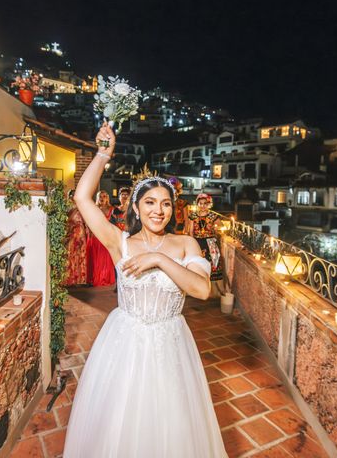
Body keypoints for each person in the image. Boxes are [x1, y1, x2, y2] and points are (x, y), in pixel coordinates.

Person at [65, 123, 226, 457]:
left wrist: (159, 259)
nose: (158, 210)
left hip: (171, 342)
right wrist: (102, 155)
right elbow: (82, 197)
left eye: (166, 204)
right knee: (120, 422)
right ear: (136, 208)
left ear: (173, 208)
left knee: (172, 423)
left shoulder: (186, 243)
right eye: (150, 202)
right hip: (126, 341)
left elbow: (201, 290)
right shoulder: (118, 241)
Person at [187, 193, 225, 298]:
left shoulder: (213, 216)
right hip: (198, 242)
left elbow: (221, 226)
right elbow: (190, 231)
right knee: (199, 264)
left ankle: (214, 291)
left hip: (211, 243)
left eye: (205, 203)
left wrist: (215, 228)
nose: (203, 205)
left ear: (208, 204)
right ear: (197, 203)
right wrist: (192, 243)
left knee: (214, 264)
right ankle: (199, 288)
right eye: (201, 203)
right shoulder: (193, 216)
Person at [86, 190, 116, 286]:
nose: (102, 198)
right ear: (97, 198)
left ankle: (104, 278)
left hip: (106, 237)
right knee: (95, 259)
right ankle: (94, 278)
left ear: (107, 198)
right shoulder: (94, 209)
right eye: (100, 196)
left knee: (105, 259)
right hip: (95, 236)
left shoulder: (112, 209)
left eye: (104, 196)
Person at [64, 189, 88, 286]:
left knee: (80, 255)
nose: (73, 197)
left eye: (74, 195)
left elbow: (86, 221)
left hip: (80, 233)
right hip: (70, 232)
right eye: (71, 195)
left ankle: (80, 279)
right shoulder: (67, 207)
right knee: (70, 255)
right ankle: (70, 279)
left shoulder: (82, 207)